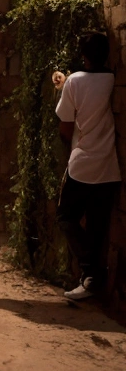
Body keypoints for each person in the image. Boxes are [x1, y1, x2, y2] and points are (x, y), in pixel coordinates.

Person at [54, 32, 122, 301]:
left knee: (65, 217)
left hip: (81, 165)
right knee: (97, 226)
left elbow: (65, 124)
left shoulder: (74, 82)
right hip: (108, 167)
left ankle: (90, 272)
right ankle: (93, 278)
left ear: (83, 55)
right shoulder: (112, 79)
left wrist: (67, 149)